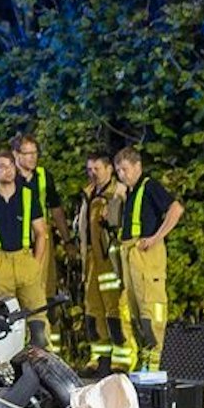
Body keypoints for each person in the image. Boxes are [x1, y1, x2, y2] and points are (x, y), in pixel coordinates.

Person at [0, 149, 50, 350]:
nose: (8, 170)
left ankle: (43, 365)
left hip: (24, 259)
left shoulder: (28, 197)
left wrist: (36, 263)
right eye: (2, 166)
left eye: (11, 165)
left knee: (37, 317)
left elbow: (41, 232)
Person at [112, 146, 184, 371]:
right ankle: (145, 361)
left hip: (146, 254)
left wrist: (156, 237)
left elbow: (176, 208)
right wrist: (117, 197)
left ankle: (156, 363)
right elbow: (113, 222)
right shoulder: (130, 192)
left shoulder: (149, 186)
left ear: (137, 166)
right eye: (118, 171)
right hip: (130, 256)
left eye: (125, 169)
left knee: (151, 310)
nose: (121, 175)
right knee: (133, 310)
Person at [76, 154, 133, 374]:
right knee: (93, 309)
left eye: (96, 168)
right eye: (89, 169)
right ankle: (99, 356)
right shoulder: (88, 193)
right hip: (90, 259)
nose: (92, 173)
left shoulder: (118, 192)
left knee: (115, 308)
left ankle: (122, 357)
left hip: (110, 259)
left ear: (109, 169)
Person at [13, 135, 70, 347]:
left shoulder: (44, 177)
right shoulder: (8, 177)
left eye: (35, 153)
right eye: (28, 153)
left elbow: (56, 209)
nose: (33, 158)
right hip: (16, 243)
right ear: (16, 155)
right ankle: (24, 342)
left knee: (44, 290)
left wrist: (66, 239)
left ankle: (46, 344)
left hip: (40, 240)